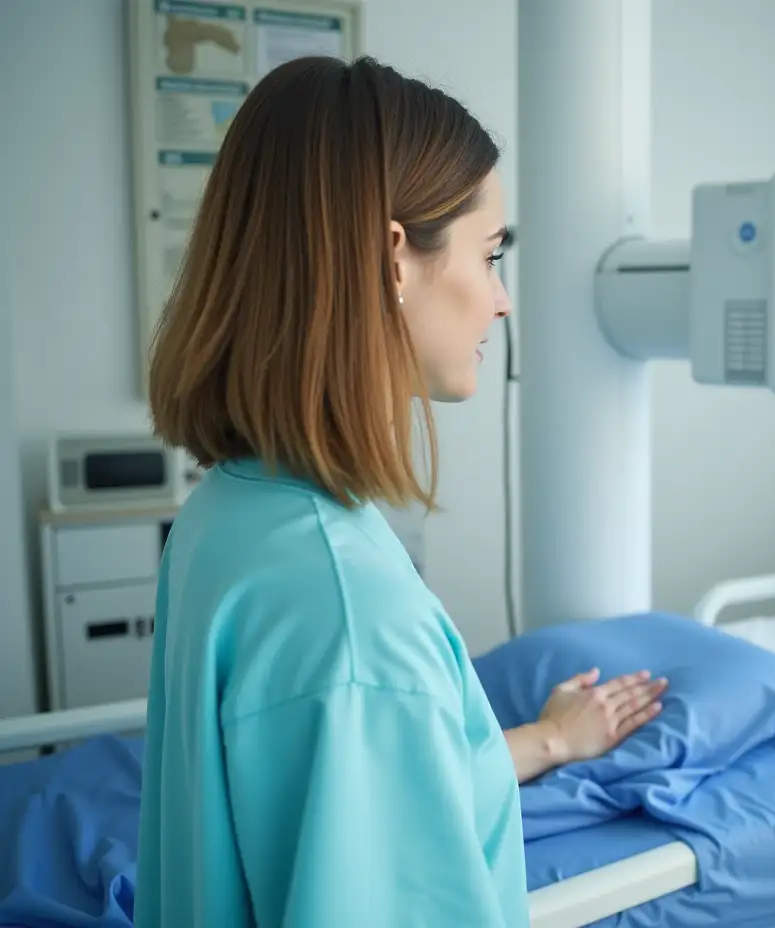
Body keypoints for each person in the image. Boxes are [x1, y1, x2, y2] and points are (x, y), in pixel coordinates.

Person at [135, 55, 668, 928]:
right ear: (394, 260)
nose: (500, 301)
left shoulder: (234, 510)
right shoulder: (348, 608)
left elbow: (350, 783)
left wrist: (546, 742)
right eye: (491, 255)